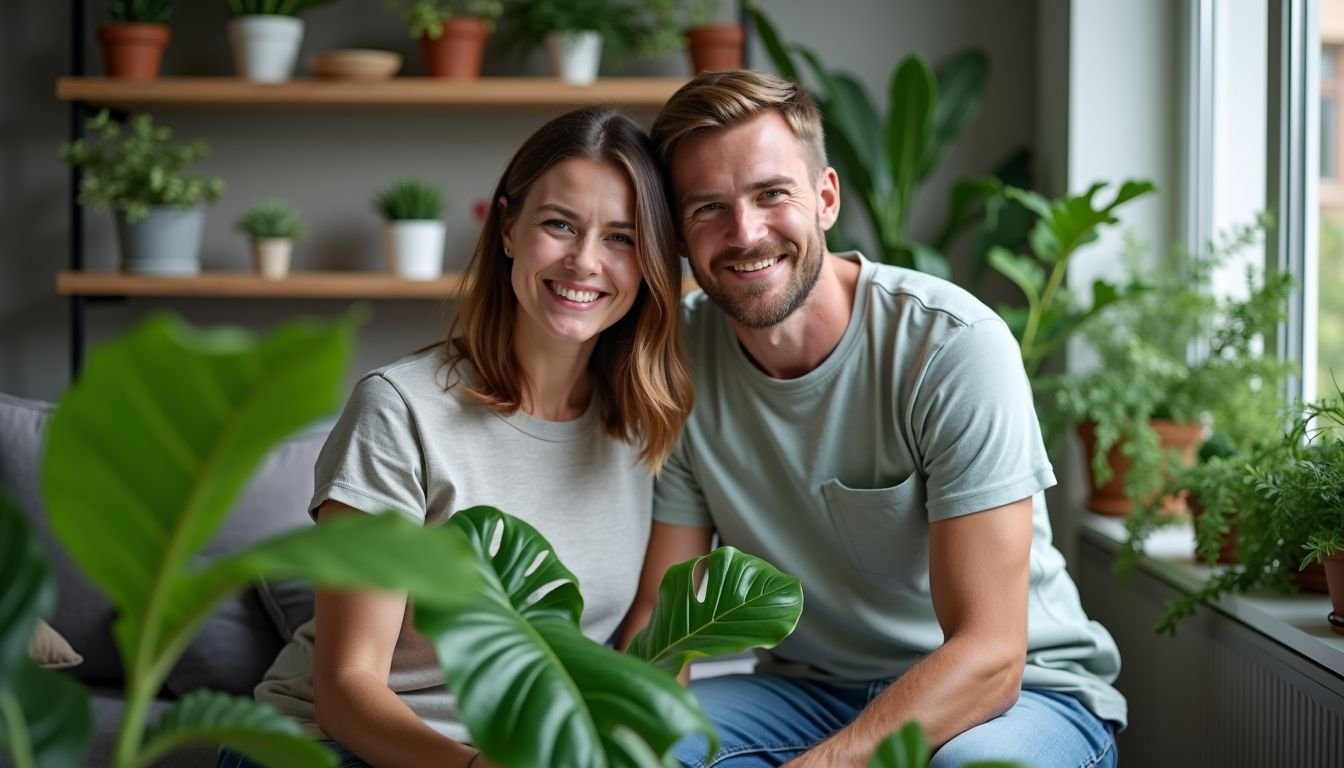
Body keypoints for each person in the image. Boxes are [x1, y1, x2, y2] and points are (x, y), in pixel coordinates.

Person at [621, 69, 1125, 768]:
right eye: (708, 208)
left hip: (1016, 693)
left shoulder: (950, 346)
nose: (745, 233)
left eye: (772, 195)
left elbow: (991, 653)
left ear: (825, 198)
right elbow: (663, 613)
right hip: (809, 693)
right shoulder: (677, 360)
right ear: (678, 234)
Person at [217, 105, 693, 768]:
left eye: (620, 237)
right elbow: (347, 689)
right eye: (559, 225)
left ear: (649, 262)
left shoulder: (647, 422)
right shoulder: (399, 410)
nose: (585, 262)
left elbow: (652, 637)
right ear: (507, 228)